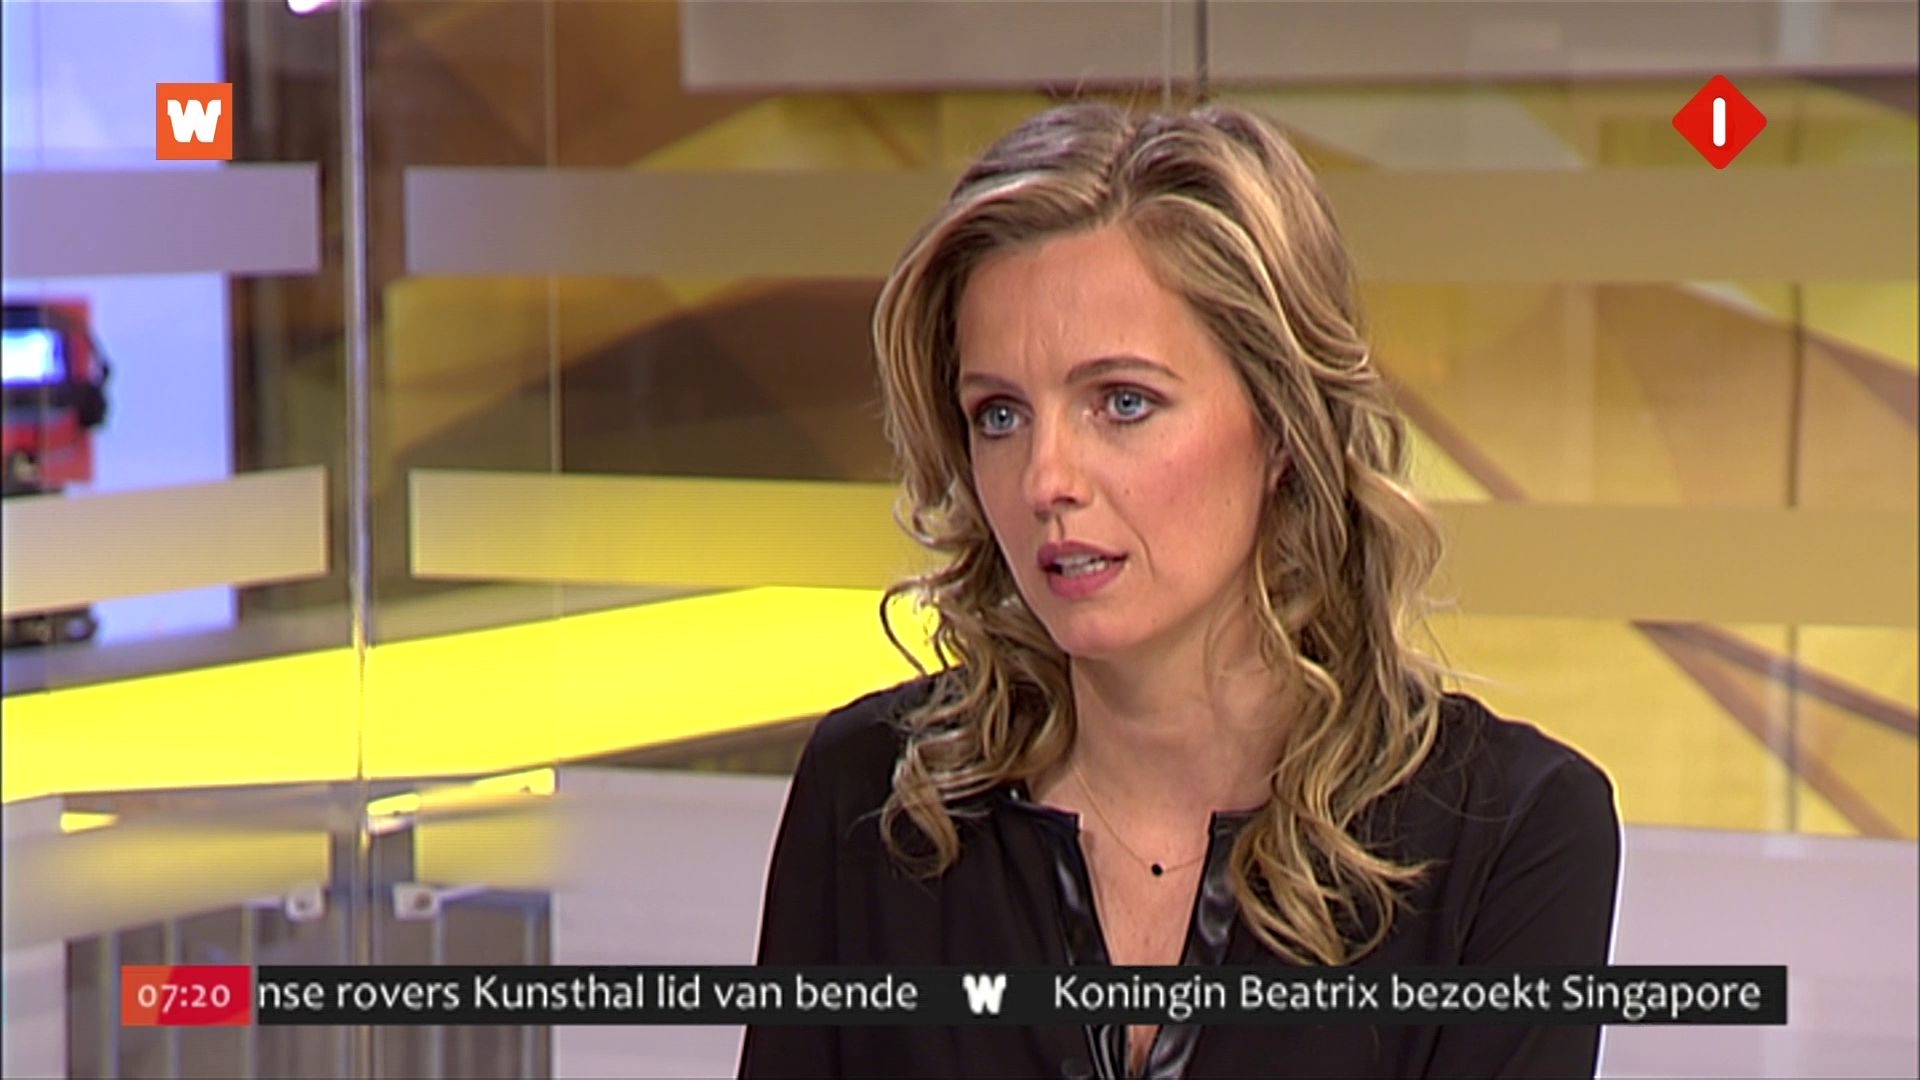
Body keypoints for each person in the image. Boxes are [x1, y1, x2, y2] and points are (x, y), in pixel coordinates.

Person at [737, 102, 1620, 1080]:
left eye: (1123, 402)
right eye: (999, 414)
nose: (1045, 480)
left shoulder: (1509, 837)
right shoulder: (876, 799)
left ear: (1282, 425)